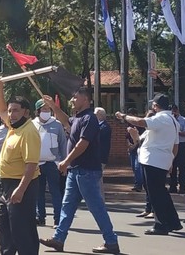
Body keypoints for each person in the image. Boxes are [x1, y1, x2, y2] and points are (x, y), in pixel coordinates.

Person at [40, 89, 119, 253]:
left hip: (87, 171)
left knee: (96, 207)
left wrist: (66, 161)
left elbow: (83, 144)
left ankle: (111, 242)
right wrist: (53, 107)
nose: (72, 99)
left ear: (86, 99)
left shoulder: (89, 119)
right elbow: (64, 120)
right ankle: (58, 239)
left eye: (76, 97)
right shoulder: (77, 118)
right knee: (67, 206)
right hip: (75, 171)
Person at [114, 93, 182, 235]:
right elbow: (175, 146)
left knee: (155, 194)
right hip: (161, 159)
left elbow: (140, 121)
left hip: (153, 160)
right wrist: (170, 160)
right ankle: (173, 221)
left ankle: (161, 224)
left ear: (156, 106)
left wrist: (124, 116)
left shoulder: (161, 118)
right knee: (161, 192)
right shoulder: (173, 121)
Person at [0, 77, 40, 255]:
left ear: (26, 112)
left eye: (16, 111)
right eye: (11, 111)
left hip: (21, 185)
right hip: (6, 185)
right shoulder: (13, 126)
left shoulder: (29, 131)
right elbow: (0, 109)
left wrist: (20, 189)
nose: (11, 114)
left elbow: (31, 165)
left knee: (22, 230)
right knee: (4, 227)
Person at [33, 98, 67, 227]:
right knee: (38, 192)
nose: (46, 111)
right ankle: (40, 216)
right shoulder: (32, 125)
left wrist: (64, 162)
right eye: (43, 109)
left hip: (53, 163)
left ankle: (58, 218)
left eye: (48, 109)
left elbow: (63, 144)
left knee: (55, 192)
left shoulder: (57, 124)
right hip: (37, 164)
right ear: (38, 111)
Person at [169, 105, 185, 194]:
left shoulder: (184, 120)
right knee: (172, 166)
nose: (174, 113)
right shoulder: (168, 120)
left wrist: (176, 132)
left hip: (181, 144)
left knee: (181, 167)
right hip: (171, 144)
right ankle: (172, 186)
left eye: (175, 111)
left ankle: (182, 187)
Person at [94, 107, 112, 200]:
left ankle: (100, 199)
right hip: (96, 157)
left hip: (101, 157)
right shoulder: (99, 126)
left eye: (95, 114)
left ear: (100, 115)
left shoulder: (105, 127)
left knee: (98, 178)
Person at [125, 108, 144, 192]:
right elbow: (127, 137)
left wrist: (134, 145)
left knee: (137, 167)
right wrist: (129, 145)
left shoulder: (139, 126)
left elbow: (140, 138)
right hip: (132, 148)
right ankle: (137, 182)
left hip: (138, 148)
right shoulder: (129, 125)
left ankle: (139, 185)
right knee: (133, 167)